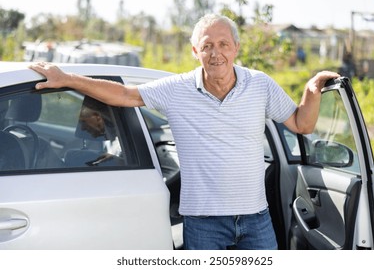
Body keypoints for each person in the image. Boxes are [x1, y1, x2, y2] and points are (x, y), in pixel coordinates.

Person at [30, 13, 339, 250]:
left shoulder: (260, 85)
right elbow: (125, 95)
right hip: (203, 224)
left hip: (256, 218)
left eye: (222, 45)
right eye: (207, 46)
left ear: (236, 48)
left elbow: (302, 124)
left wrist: (312, 91)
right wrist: (68, 78)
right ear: (195, 50)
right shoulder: (176, 89)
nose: (215, 53)